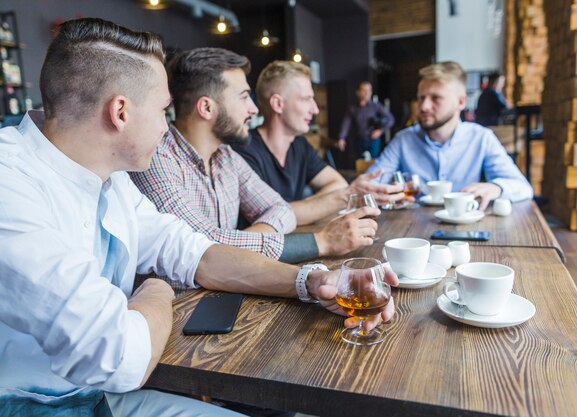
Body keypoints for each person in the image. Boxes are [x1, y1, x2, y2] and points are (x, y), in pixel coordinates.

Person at [0, 18, 397, 416]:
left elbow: (201, 253)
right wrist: (156, 289)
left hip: (99, 396)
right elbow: (119, 358)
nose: (167, 127)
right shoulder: (10, 184)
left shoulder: (111, 178)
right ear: (120, 112)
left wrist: (312, 281)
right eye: (163, 110)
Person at [131, 47, 377, 263]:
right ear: (206, 107)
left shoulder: (226, 156)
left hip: (231, 291)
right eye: (243, 97)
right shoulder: (156, 159)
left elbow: (281, 209)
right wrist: (321, 242)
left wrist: (235, 245)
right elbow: (203, 248)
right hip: (177, 308)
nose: (253, 108)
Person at [234, 61, 404, 225]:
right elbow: (271, 218)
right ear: (278, 104)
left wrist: (304, 208)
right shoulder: (243, 151)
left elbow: (338, 184)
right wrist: (333, 200)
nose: (315, 109)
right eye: (306, 99)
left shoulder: (299, 144)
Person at [367, 62, 532, 210]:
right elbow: (369, 186)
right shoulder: (404, 139)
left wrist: (497, 187)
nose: (423, 107)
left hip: (465, 233)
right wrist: (389, 192)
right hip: (412, 236)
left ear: (461, 102)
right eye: (421, 98)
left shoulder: (481, 138)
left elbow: (523, 188)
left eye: (435, 98)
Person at [337, 81, 395, 159]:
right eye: (364, 90)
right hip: (359, 140)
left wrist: (380, 131)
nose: (367, 93)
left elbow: (390, 119)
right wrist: (342, 138)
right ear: (358, 92)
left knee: (375, 163)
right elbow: (346, 124)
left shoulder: (376, 106)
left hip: (373, 140)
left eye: (369, 90)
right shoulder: (353, 109)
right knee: (359, 163)